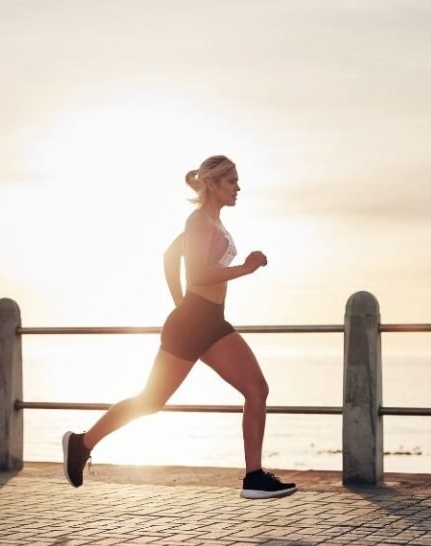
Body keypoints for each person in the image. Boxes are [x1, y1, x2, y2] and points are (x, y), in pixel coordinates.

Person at [62, 155, 297, 499]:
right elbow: (198, 274)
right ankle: (81, 443)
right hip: (193, 323)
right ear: (213, 185)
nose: (238, 188)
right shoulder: (198, 221)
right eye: (231, 181)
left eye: (237, 181)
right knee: (150, 401)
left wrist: (182, 304)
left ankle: (253, 477)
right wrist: (242, 270)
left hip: (210, 322)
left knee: (256, 388)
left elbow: (170, 257)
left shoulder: (212, 223)